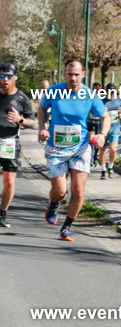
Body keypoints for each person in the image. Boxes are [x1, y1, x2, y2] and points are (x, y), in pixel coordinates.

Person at [37, 60, 110, 242]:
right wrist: (42, 128)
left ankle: (67, 226)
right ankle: (54, 202)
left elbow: (105, 117)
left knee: (77, 191)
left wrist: (102, 135)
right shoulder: (54, 91)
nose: (73, 78)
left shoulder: (90, 95)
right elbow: (42, 109)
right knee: (60, 191)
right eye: (70, 74)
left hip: (80, 148)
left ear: (83, 74)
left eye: (77, 74)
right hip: (56, 147)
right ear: (65, 74)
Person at [0, 63, 36, 228]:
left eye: (9, 76)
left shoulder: (21, 98)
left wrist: (19, 120)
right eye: (2, 76)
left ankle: (2, 213)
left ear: (15, 77)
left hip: (10, 142)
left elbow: (33, 123)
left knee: (9, 182)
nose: (5, 80)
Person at [99, 83, 121, 179]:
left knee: (113, 149)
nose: (111, 94)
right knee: (102, 149)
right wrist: (102, 111)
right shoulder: (101, 100)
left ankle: (110, 166)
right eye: (109, 92)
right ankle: (103, 169)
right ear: (106, 91)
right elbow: (95, 112)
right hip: (103, 129)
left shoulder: (118, 99)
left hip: (115, 127)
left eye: (113, 92)